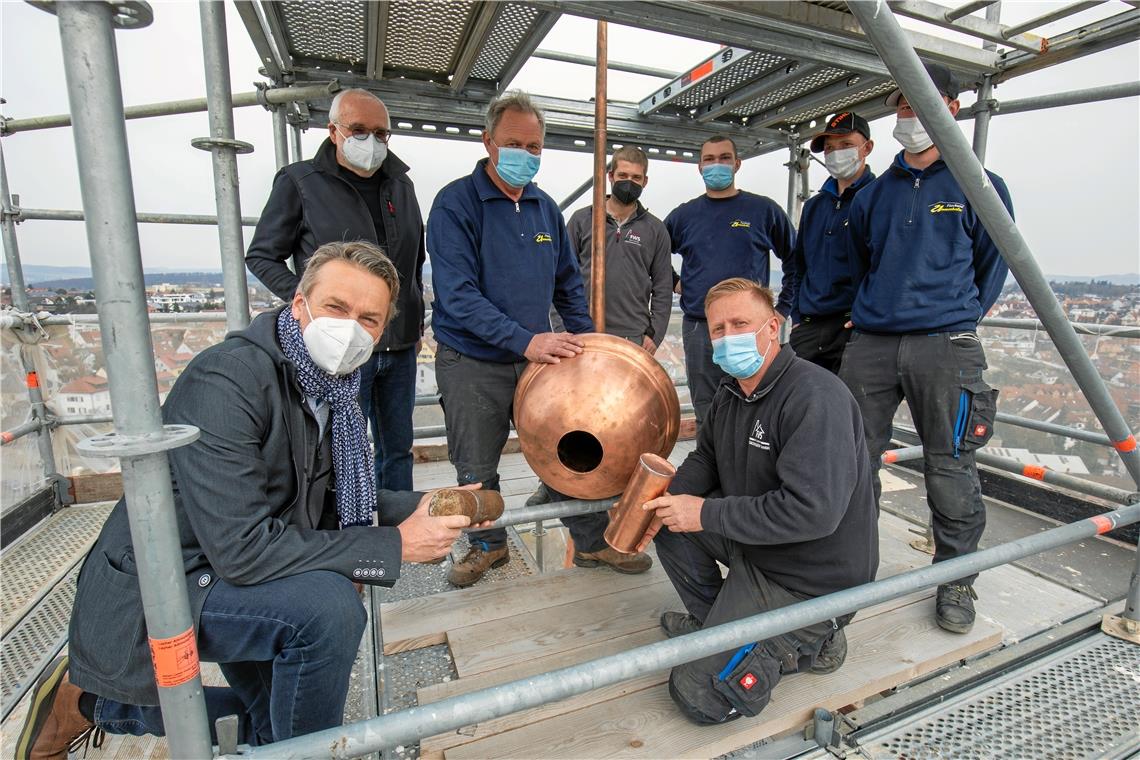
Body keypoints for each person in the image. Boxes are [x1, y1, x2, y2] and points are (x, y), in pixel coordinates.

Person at [18, 243, 479, 758]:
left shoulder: (333, 389)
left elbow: (328, 495)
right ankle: (99, 705)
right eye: (336, 307)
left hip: (230, 567)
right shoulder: (229, 378)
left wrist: (425, 504)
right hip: (172, 577)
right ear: (299, 303)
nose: (351, 328)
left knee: (270, 726)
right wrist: (391, 544)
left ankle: (88, 707)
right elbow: (242, 548)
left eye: (369, 319)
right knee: (325, 610)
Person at [428, 91, 652, 587]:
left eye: (534, 146)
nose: (525, 155)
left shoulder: (543, 208)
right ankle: (488, 546)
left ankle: (592, 543)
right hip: (474, 360)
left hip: (538, 360)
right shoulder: (455, 205)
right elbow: (457, 295)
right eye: (513, 143)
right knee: (476, 463)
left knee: (569, 450)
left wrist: (594, 354)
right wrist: (525, 340)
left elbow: (568, 288)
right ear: (488, 142)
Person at [639, 277, 878, 725]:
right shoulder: (730, 394)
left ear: (772, 328)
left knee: (698, 697)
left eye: (739, 323)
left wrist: (705, 512)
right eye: (717, 329)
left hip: (809, 577)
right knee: (670, 525)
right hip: (760, 546)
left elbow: (813, 512)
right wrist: (663, 503)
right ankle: (720, 626)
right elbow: (706, 458)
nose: (729, 337)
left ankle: (814, 641)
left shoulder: (814, 396)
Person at [841, 63, 1009, 634]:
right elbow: (865, 261)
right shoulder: (874, 194)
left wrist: (954, 318)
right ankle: (841, 579)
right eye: (902, 103)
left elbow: (992, 264)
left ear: (952, 108)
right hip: (873, 344)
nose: (909, 113)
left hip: (945, 346)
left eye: (922, 101)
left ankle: (956, 580)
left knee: (951, 466)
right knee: (849, 461)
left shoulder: (976, 183)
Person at [246, 88, 425, 495]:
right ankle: (345, 531)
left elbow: (413, 262)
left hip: (397, 346)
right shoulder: (300, 183)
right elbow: (262, 255)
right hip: (339, 348)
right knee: (340, 446)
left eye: (381, 133)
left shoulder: (402, 186)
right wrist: (314, 308)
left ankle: (398, 529)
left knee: (398, 448)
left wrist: (413, 319)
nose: (372, 141)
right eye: (359, 130)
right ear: (333, 131)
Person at [529, 146, 674, 506]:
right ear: (610, 176)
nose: (629, 183)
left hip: (629, 341)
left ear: (646, 181)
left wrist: (653, 333)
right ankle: (553, 483)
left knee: (620, 423)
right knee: (571, 414)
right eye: (623, 175)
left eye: (636, 178)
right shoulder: (582, 220)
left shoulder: (655, 230)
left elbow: (663, 285)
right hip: (583, 340)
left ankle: (616, 491)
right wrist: (566, 330)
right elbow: (560, 278)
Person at [665, 136, 797, 426]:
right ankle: (713, 469)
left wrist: (783, 308)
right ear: (699, 167)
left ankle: (751, 468)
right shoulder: (684, 216)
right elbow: (654, 255)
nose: (716, 165)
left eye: (724, 158)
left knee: (758, 405)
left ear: (737, 164)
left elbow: (796, 260)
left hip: (750, 328)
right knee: (708, 410)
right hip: (702, 328)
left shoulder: (763, 211)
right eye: (709, 159)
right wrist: (675, 282)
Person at [788, 112, 875, 373]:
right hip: (810, 327)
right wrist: (796, 317)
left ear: (866, 148)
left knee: (850, 406)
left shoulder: (878, 198)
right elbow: (799, 265)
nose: (836, 153)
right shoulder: (814, 206)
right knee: (802, 403)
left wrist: (865, 315)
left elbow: (884, 265)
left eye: (845, 145)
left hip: (853, 325)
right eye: (829, 148)